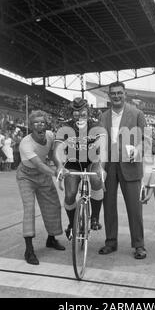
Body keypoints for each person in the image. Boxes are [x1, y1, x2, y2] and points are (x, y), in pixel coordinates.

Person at [98, 81, 149, 259]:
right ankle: (110, 242)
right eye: (113, 93)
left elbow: (146, 140)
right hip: (110, 165)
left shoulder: (137, 114)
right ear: (109, 95)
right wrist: (100, 167)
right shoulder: (103, 117)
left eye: (120, 93)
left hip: (131, 165)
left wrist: (139, 150)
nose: (116, 96)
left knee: (134, 208)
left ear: (125, 94)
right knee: (109, 205)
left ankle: (139, 245)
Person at [16, 110, 65, 265]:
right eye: (36, 123)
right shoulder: (26, 143)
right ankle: (29, 250)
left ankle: (51, 239)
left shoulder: (50, 136)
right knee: (29, 209)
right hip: (26, 176)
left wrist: (60, 166)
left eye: (42, 122)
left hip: (43, 175)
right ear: (31, 126)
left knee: (53, 206)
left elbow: (52, 155)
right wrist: (55, 173)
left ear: (46, 125)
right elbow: (38, 164)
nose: (40, 125)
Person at [54, 98, 105, 240]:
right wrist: (59, 165)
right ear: (72, 113)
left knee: (96, 179)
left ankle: (95, 217)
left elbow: (103, 147)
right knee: (70, 194)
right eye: (76, 112)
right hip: (73, 162)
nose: (79, 114)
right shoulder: (65, 127)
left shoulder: (96, 125)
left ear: (87, 111)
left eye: (82, 111)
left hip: (91, 160)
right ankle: (72, 224)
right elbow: (57, 149)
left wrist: (101, 167)